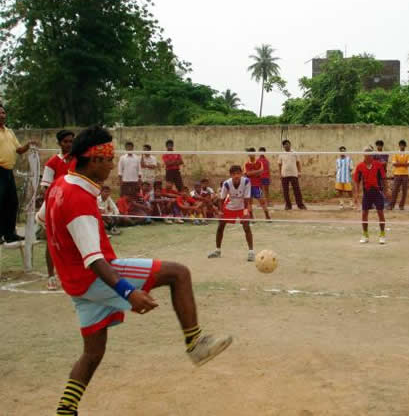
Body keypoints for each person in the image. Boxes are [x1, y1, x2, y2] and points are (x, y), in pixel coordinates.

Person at [45, 126, 232, 416]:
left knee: (92, 352)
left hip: (76, 285)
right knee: (178, 273)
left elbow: (43, 219)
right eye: (109, 159)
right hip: (96, 276)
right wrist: (128, 292)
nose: (112, 165)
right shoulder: (79, 199)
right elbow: (94, 260)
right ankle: (195, 342)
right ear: (94, 160)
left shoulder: (60, 186)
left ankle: (65, 410)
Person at [39, 130, 75, 290]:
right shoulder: (52, 162)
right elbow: (46, 187)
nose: (69, 144)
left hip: (73, 205)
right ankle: (51, 276)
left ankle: (72, 273)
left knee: (75, 240)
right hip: (55, 206)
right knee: (52, 242)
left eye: (71, 141)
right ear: (59, 143)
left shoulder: (77, 160)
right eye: (66, 141)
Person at [0, 104, 37, 243]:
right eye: (0, 113)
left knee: (12, 203)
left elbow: (19, 150)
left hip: (8, 171)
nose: (2, 115)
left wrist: (29, 144)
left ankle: (10, 234)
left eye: (3, 113)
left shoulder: (9, 132)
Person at [207, 165, 255, 261]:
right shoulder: (226, 184)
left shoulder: (246, 181)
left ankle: (251, 252)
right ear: (230, 175)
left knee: (246, 226)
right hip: (230, 206)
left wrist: (246, 211)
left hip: (242, 206)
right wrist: (220, 211)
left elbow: (247, 198)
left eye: (238, 173)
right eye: (234, 174)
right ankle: (217, 250)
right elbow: (221, 199)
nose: (236, 176)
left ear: (241, 174)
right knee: (220, 226)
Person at [353, 146, 387, 244]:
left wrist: (386, 190)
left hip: (377, 192)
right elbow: (356, 181)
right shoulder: (360, 166)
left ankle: (382, 234)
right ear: (364, 155)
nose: (368, 155)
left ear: (372, 154)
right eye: (366, 153)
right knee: (364, 214)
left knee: (380, 213)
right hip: (367, 193)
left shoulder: (378, 165)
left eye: (370, 153)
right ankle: (365, 234)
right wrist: (356, 195)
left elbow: (384, 178)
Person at [278, 139, 306, 210]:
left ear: (290, 144)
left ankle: (300, 205)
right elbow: (279, 164)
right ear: (283, 146)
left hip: (294, 174)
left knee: (297, 190)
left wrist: (299, 172)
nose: (287, 145)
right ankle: (288, 205)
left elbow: (298, 163)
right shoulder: (281, 154)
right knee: (285, 191)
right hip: (284, 174)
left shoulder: (295, 153)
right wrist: (280, 173)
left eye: (288, 144)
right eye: (285, 144)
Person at [244, 147, 271, 221]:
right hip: (249, 186)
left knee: (262, 201)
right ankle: (251, 217)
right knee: (250, 202)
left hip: (257, 186)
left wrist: (253, 172)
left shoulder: (259, 163)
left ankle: (267, 216)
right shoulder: (246, 164)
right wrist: (257, 171)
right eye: (249, 154)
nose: (251, 155)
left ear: (254, 154)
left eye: (252, 153)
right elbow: (247, 174)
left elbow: (261, 171)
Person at [388, 140, 409, 211]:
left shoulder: (408, 154)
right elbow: (394, 164)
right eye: (401, 145)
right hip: (397, 174)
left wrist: (399, 164)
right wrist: (404, 164)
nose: (402, 146)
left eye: (403, 145)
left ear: (405, 146)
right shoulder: (396, 153)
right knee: (395, 190)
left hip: (405, 174)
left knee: (404, 191)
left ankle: (401, 205)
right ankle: (391, 205)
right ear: (399, 146)